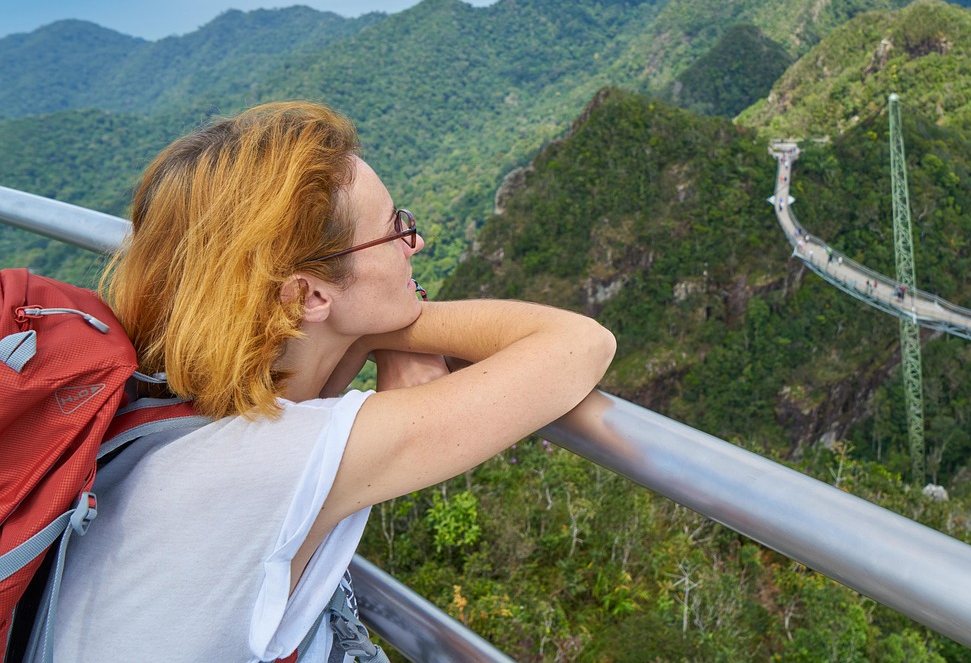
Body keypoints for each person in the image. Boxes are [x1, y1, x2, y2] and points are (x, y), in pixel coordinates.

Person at [46, 102, 616, 661]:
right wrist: (396, 327)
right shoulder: (276, 458)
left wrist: (365, 330)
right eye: (394, 230)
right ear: (308, 295)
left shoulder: (160, 403)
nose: (415, 243)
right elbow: (581, 345)